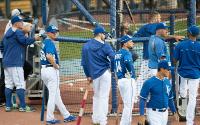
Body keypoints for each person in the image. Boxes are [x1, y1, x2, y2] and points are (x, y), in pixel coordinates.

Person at [2, 16, 40, 112]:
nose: (22, 23)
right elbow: (25, 41)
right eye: (21, 21)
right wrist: (34, 38)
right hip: (15, 63)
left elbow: (2, 46)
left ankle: (8, 105)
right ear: (16, 23)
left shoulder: (7, 32)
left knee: (9, 84)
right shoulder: (18, 32)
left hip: (6, 62)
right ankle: (23, 106)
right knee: (20, 85)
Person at [40, 25, 76, 124]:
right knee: (53, 95)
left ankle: (66, 115)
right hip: (51, 71)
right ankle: (50, 118)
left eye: (56, 32)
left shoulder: (44, 42)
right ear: (48, 33)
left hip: (44, 71)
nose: (55, 33)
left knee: (56, 95)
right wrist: (55, 65)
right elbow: (49, 56)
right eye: (53, 32)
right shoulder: (49, 43)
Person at [81, 26, 115, 125]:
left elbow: (84, 63)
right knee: (103, 97)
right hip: (105, 73)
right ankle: (103, 121)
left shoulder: (86, 46)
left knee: (96, 97)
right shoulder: (105, 46)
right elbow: (113, 58)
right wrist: (113, 70)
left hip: (94, 76)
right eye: (104, 34)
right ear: (100, 34)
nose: (105, 36)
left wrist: (88, 75)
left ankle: (95, 119)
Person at [173, 25, 200, 125]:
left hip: (183, 73)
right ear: (197, 35)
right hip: (195, 74)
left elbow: (175, 60)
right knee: (192, 97)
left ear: (188, 33)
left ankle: (182, 114)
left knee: (182, 93)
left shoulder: (181, 45)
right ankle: (189, 121)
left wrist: (178, 49)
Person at [139, 60, 178, 125]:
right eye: (167, 69)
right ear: (162, 69)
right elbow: (142, 99)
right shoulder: (149, 82)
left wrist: (174, 111)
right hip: (153, 113)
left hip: (165, 114)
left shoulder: (168, 82)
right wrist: (141, 115)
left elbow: (170, 99)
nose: (169, 71)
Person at [115, 35, 136, 125]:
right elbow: (128, 63)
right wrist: (132, 75)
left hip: (120, 81)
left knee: (127, 104)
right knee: (129, 105)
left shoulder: (117, 54)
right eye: (130, 41)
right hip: (128, 80)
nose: (132, 43)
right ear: (125, 43)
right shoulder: (127, 53)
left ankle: (126, 122)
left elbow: (114, 67)